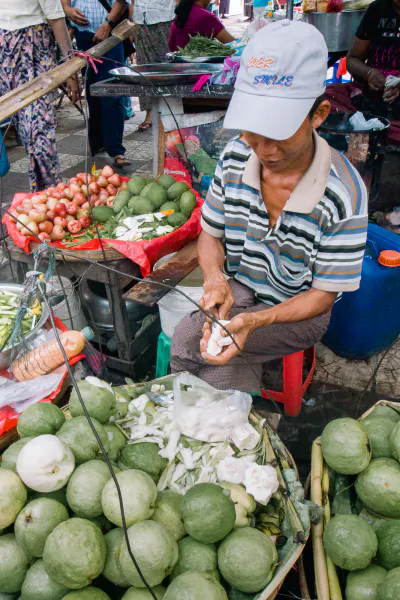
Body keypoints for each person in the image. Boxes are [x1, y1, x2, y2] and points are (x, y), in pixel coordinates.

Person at [171, 20, 368, 392]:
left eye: (279, 134)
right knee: (192, 342)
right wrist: (215, 278)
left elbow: (323, 295)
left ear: (319, 115)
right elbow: (210, 235)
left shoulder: (344, 194)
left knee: (210, 358)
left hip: (301, 309)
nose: (265, 150)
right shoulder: (235, 158)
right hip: (244, 285)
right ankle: (221, 414)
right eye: (252, 130)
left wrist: (256, 321)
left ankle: (216, 412)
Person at [0, 0, 79, 192]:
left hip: (34, 47)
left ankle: (51, 194)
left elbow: (57, 20)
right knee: (24, 129)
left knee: (38, 132)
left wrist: (70, 69)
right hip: (4, 51)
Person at [62, 0, 132, 168]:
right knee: (92, 92)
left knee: (111, 92)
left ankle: (116, 149)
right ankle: (96, 143)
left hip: (109, 35)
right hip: (83, 35)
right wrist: (67, 10)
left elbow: (122, 1)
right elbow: (64, 3)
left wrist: (107, 24)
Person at [325, 0, 400, 144]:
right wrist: (369, 73)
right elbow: (352, 60)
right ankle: (376, 129)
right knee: (322, 100)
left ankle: (377, 131)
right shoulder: (377, 8)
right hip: (368, 98)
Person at [133, 0, 176, 131]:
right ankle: (149, 113)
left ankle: (171, 109)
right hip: (140, 19)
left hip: (164, 18)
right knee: (144, 67)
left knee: (166, 64)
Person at [169, 0, 235, 52]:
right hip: (195, 66)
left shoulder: (180, 13)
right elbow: (233, 44)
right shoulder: (205, 16)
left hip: (175, 64)